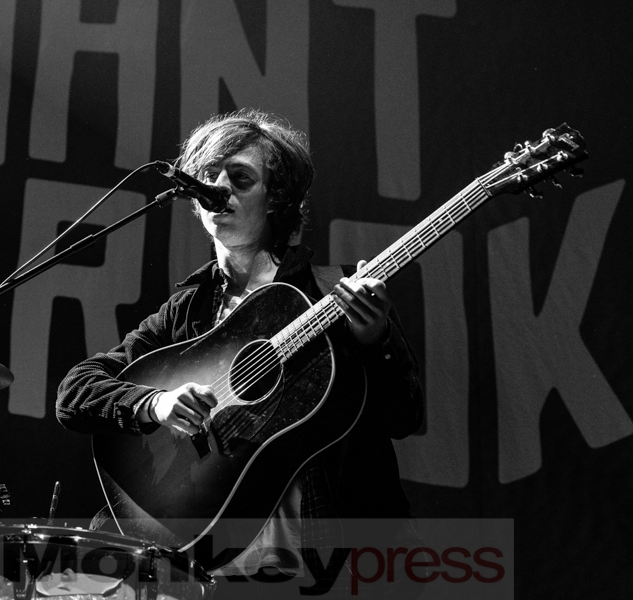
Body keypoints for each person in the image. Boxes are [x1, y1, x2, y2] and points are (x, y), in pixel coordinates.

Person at [55, 109, 424, 598]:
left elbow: (404, 416)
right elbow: (75, 392)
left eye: (240, 178)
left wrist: (376, 341)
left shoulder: (333, 294)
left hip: (323, 567)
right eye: (209, 176)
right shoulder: (188, 310)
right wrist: (155, 404)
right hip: (206, 571)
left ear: (277, 199)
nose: (218, 188)